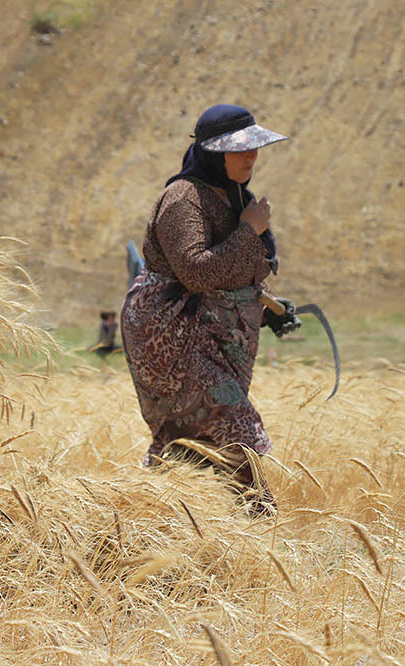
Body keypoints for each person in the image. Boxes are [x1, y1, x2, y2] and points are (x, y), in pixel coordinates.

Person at [120, 104, 299, 516]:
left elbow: (237, 270)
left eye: (254, 149)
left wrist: (269, 306)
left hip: (210, 334)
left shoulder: (237, 197)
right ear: (213, 154)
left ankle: (144, 524)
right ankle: (261, 521)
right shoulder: (183, 199)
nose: (250, 158)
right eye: (239, 151)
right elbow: (198, 272)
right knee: (231, 423)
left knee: (189, 442)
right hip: (171, 335)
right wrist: (249, 229)